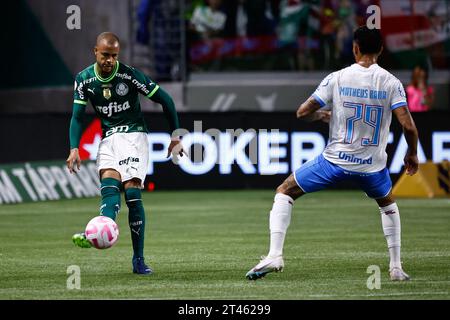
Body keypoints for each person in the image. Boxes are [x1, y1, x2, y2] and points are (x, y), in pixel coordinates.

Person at [246, 26, 419, 282]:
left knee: (285, 191)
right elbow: (408, 126)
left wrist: (323, 115)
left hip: (334, 161)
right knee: (387, 204)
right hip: (371, 167)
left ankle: (275, 255)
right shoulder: (391, 83)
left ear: (355, 47)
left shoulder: (337, 78)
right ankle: (395, 268)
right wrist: (412, 154)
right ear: (381, 50)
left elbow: (303, 112)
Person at [67, 32, 184, 275]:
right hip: (109, 140)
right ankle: (97, 234)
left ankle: (138, 259)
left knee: (131, 192)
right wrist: (74, 147)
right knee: (109, 190)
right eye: (105, 55)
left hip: (134, 137)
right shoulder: (84, 80)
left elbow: (166, 100)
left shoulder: (128, 75)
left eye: (114, 55)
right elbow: (77, 117)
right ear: (95, 52)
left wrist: (175, 136)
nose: (110, 60)